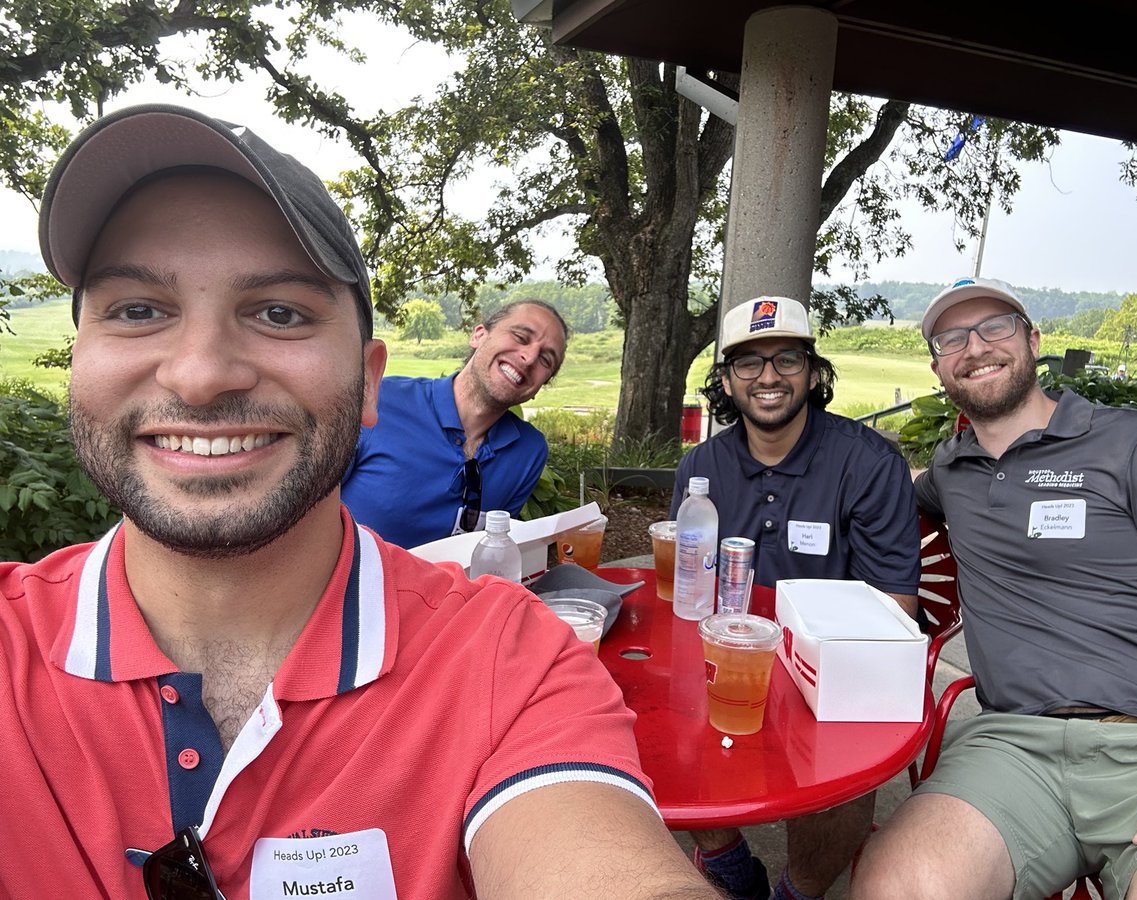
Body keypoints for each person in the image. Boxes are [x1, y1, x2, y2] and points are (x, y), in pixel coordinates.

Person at [1, 104, 720, 900]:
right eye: (137, 310)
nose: (200, 375)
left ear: (365, 380)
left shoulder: (509, 660)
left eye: (279, 312)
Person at [852, 277, 1137, 900]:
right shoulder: (953, 470)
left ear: (1033, 340)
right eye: (952, 338)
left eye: (996, 327)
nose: (976, 346)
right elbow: (883, 495)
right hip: (1012, 749)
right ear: (938, 368)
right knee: (895, 887)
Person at [671, 296, 921, 900]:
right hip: (728, 650)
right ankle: (726, 858)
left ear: (812, 372)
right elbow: (687, 584)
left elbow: (895, 609)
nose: (768, 377)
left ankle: (799, 890)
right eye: (748, 363)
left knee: (848, 771)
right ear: (727, 380)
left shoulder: (868, 463)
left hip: (829, 662)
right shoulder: (700, 468)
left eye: (786, 358)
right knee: (654, 714)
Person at [340, 299, 566, 547]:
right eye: (521, 337)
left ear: (539, 387)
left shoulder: (529, 452)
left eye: (546, 360)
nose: (529, 357)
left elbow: (494, 548)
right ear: (479, 335)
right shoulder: (380, 401)